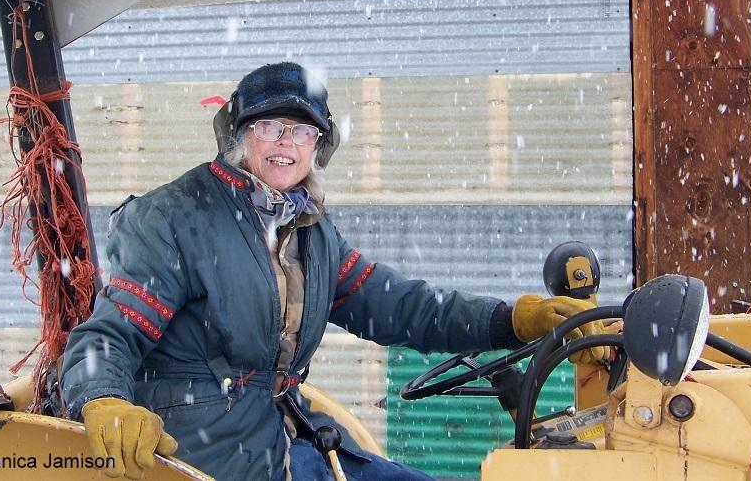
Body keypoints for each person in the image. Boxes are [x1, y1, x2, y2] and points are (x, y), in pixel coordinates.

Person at [60, 62, 608, 481]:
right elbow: (110, 334)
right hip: (206, 451)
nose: (284, 141)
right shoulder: (178, 218)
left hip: (284, 433)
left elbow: (398, 305)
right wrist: (101, 399)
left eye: (301, 131)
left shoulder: (310, 232)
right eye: (269, 125)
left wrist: (512, 319)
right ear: (238, 136)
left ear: (318, 147)